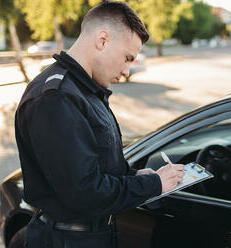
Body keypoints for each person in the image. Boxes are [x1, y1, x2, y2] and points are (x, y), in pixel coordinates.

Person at [15, 1, 185, 247]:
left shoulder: (85, 90)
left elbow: (96, 165)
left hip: (89, 235)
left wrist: (134, 175)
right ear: (102, 40)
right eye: (127, 58)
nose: (127, 71)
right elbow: (85, 192)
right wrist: (153, 184)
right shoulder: (56, 98)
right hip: (66, 240)